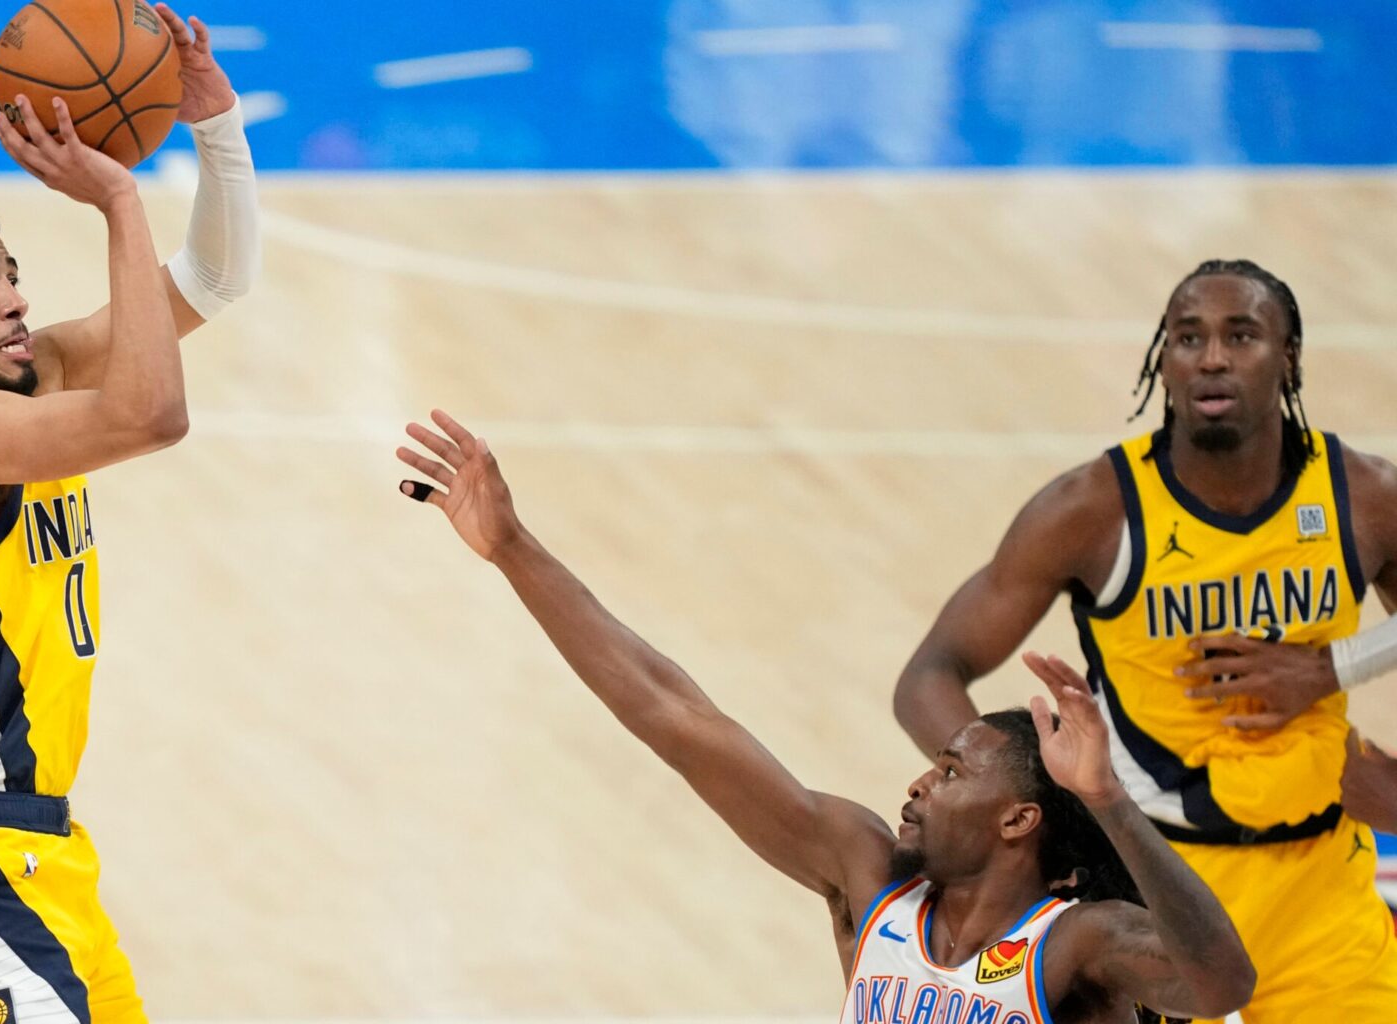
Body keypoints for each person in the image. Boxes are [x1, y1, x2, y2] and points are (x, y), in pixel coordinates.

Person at [395, 410, 1254, 1022]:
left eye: (952, 771)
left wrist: (1108, 801)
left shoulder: (1075, 944)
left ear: (1018, 819)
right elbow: (671, 714)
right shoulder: (868, 876)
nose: (918, 784)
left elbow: (1222, 987)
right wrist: (512, 549)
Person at [0, 8, 257, 1022]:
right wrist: (118, 199)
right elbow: (152, 415)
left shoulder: (34, 383)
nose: (17, 300)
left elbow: (214, 280)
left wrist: (215, 126)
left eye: (14, 275)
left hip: (44, 859)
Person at [894, 260, 1397, 1019]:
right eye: (1188, 337)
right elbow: (930, 674)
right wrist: (1045, 807)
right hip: (1161, 893)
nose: (1212, 357)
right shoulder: (1093, 510)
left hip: (1321, 885)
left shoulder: (1360, 496)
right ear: (1164, 362)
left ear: (1289, 357)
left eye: (1241, 335)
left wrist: (1337, 666)